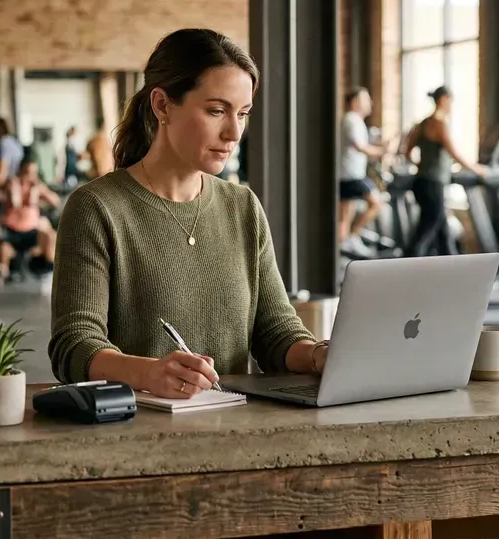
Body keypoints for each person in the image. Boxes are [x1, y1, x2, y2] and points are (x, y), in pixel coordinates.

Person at [48, 28, 329, 399]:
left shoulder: (243, 207)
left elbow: (275, 334)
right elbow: (74, 345)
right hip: (135, 434)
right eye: (216, 111)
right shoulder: (97, 207)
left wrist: (321, 356)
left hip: (234, 431)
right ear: (162, 105)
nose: (233, 133)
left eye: (242, 114)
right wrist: (148, 373)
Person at [403, 86, 488, 257]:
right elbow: (453, 152)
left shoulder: (422, 123)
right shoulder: (439, 123)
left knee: (442, 229)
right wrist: (476, 168)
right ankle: (407, 263)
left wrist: (422, 164)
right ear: (443, 100)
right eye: (450, 101)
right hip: (433, 183)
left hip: (421, 181)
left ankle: (451, 264)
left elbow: (407, 151)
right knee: (428, 227)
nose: (451, 106)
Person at [0, 159, 60, 279]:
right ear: (20, 171)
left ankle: (50, 270)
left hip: (31, 232)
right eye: (27, 172)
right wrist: (7, 193)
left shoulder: (37, 187)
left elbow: (55, 201)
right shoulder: (12, 184)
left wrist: (40, 195)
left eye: (33, 173)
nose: (30, 176)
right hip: (10, 230)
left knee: (50, 235)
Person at [339, 87, 387, 257]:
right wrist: (381, 152)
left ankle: (344, 247)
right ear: (354, 102)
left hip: (349, 174)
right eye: (365, 99)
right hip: (351, 175)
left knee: (345, 216)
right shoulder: (351, 119)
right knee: (376, 203)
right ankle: (353, 237)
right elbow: (360, 147)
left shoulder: (355, 121)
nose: (370, 103)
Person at [0, 117, 25, 187]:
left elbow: (2, 173)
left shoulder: (4, 144)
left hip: (9, 185)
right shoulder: (14, 142)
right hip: (17, 183)